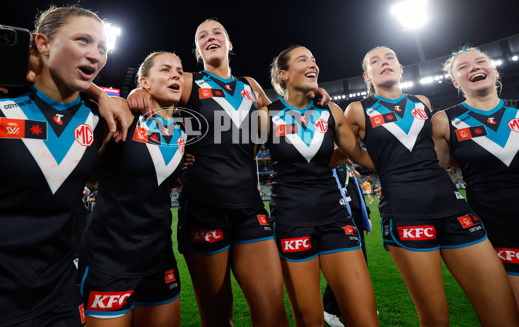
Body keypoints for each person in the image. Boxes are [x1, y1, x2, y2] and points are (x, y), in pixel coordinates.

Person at [126, 19, 331, 326]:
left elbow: (281, 110)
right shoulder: (188, 81)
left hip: (249, 209)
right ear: (197, 51)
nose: (210, 37)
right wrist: (132, 95)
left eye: (217, 32)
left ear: (229, 44)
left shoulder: (250, 86)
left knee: (273, 314)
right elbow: (155, 89)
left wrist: (312, 94)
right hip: (203, 209)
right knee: (217, 318)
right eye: (202, 36)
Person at [0, 5, 109, 326]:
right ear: (42, 43)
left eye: (102, 47)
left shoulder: (100, 123)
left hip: (54, 297)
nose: (95, 54)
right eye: (83, 40)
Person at [344, 46, 519, 326]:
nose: (384, 63)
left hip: (453, 207)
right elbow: (346, 149)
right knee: (436, 318)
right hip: (405, 213)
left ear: (401, 69)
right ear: (367, 75)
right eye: (375, 61)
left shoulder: (422, 102)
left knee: (502, 309)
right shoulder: (356, 109)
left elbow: (445, 152)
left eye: (391, 58)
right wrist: (381, 164)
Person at [266, 45, 378, 327]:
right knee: (309, 319)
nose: (313, 64)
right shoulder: (265, 115)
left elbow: (362, 157)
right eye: (303, 60)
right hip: (291, 219)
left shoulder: (331, 111)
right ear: (284, 75)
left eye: (314, 59)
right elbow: (239, 161)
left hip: (334, 215)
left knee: (364, 317)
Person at [78, 51, 185, 326]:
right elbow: (91, 179)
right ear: (144, 82)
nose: (176, 74)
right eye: (165, 69)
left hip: (160, 258)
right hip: (110, 260)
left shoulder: (184, 134)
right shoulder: (122, 115)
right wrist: (124, 99)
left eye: (179, 70)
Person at [432, 46, 519, 326]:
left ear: (495, 70)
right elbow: (437, 169)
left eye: (481, 61)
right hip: (498, 231)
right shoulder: (443, 121)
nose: (473, 68)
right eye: (462, 67)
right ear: (455, 82)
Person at [323, 160, 372, 327]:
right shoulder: (327, 164)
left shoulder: (347, 167)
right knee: (343, 269)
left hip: (357, 218)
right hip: (341, 218)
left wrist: (368, 216)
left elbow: (357, 193)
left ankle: (354, 305)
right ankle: (329, 309)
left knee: (361, 265)